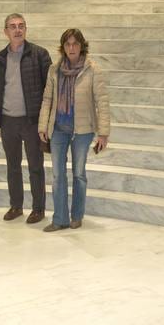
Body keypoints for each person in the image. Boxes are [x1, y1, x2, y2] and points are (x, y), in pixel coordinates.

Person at [38, 28, 110, 232]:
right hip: (59, 128)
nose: (71, 48)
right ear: (63, 47)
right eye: (68, 44)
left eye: (75, 44)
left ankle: (76, 216)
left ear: (82, 46)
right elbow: (47, 99)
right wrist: (43, 125)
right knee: (58, 175)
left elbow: (102, 102)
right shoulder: (54, 70)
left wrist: (103, 132)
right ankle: (60, 218)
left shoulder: (92, 70)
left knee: (79, 174)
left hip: (82, 130)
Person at [0, 13, 52, 224]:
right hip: (8, 121)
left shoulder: (40, 55)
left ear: (26, 29)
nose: (17, 30)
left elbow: (49, 90)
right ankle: (16, 206)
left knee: (36, 166)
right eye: (12, 26)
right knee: (12, 166)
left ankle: (38, 209)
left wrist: (45, 122)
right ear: (5, 32)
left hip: (32, 121)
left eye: (21, 26)